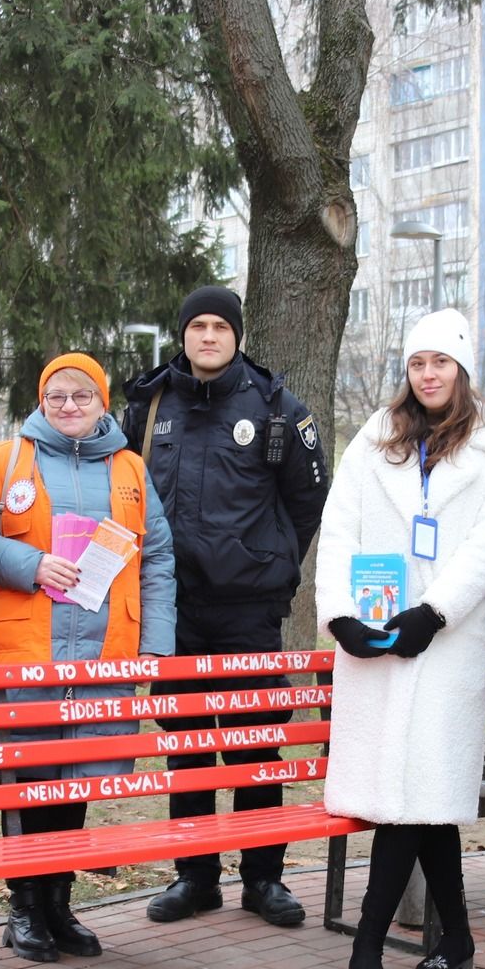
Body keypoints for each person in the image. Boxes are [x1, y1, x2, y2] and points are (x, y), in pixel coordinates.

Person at [316, 309, 485, 969]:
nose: (429, 373)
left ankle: (366, 946)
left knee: (412, 795)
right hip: (375, 639)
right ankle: (457, 936)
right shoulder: (374, 443)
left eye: (441, 362)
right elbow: (339, 527)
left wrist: (434, 611)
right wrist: (340, 613)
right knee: (420, 797)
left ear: (462, 369)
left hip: (446, 641)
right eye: (418, 363)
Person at [120, 286, 330, 926]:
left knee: (253, 743)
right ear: (183, 334)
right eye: (197, 326)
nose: (208, 336)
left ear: (237, 335)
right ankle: (195, 875)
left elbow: (307, 502)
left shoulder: (276, 409)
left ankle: (264, 879)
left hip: (248, 608)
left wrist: (270, 561)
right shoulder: (148, 406)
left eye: (220, 326)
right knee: (186, 744)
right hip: (174, 608)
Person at [0, 352, 177, 962]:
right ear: (41, 400)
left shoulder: (131, 469)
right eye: (56, 395)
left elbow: (157, 557)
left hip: (102, 653)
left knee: (77, 779)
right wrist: (31, 565)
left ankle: (58, 904)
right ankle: (24, 907)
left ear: (102, 401)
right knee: (27, 781)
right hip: (23, 649)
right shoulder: (6, 461)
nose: (68, 406)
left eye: (81, 396)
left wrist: (155, 645)